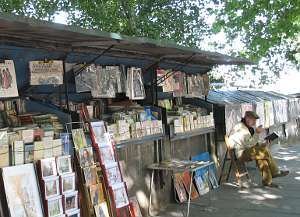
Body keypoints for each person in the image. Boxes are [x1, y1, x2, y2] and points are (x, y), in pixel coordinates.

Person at [228, 111, 289, 188]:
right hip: (241, 153)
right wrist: (257, 133)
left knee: (262, 155)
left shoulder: (246, 127)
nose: (255, 122)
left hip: (247, 150)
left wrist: (262, 144)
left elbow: (251, 143)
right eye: (253, 120)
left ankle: (267, 181)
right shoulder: (241, 128)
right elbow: (248, 144)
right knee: (263, 151)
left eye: (255, 120)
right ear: (247, 118)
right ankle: (275, 172)